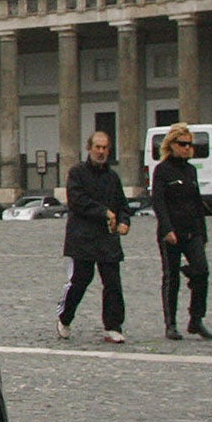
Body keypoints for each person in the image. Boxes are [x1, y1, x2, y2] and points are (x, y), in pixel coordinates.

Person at [57, 128, 130, 343]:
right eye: (97, 147)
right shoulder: (77, 173)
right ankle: (65, 317)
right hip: (83, 238)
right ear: (89, 148)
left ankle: (113, 326)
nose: (101, 151)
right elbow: (77, 201)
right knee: (80, 281)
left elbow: (122, 205)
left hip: (107, 239)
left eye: (105, 148)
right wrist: (104, 212)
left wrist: (125, 221)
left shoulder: (112, 177)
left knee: (113, 283)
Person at [148, 122, 212, 341]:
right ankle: (171, 324)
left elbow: (197, 204)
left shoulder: (191, 170)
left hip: (192, 231)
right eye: (183, 144)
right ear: (172, 144)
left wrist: (202, 234)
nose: (187, 148)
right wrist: (166, 228)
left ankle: (196, 319)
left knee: (202, 271)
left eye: (190, 144)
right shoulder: (162, 170)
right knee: (171, 278)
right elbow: (158, 202)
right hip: (171, 233)